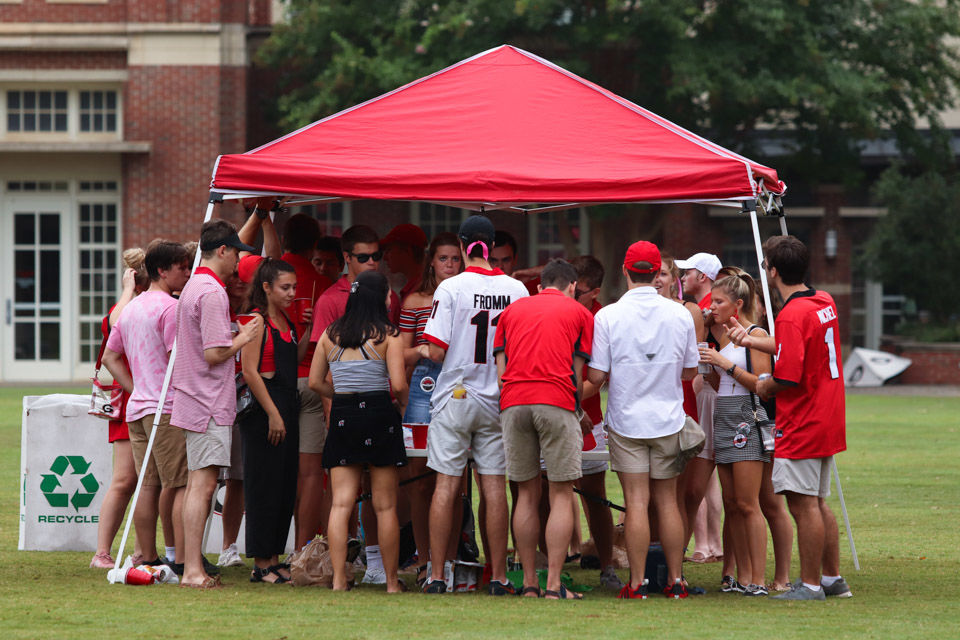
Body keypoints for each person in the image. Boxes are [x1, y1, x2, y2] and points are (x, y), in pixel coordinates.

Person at [421, 215, 529, 595]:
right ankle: (497, 576)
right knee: (494, 487)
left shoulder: (450, 287)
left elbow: (436, 349)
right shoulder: (517, 290)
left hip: (455, 394)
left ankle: (437, 576)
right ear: (489, 245)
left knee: (446, 486)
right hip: (498, 396)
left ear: (466, 246)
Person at [587, 241, 698, 600]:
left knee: (635, 502)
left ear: (625, 270)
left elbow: (598, 374)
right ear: (657, 273)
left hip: (626, 419)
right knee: (667, 502)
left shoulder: (607, 315)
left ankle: (636, 583)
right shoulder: (679, 313)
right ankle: (676, 580)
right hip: (667, 417)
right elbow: (691, 370)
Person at [757, 235, 852, 601]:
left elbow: (787, 377)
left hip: (803, 418)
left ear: (774, 270)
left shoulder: (791, 314)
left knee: (802, 502)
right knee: (817, 500)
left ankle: (811, 584)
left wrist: (765, 385)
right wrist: (754, 341)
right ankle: (831, 578)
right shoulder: (822, 299)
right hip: (827, 413)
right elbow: (798, 345)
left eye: (766, 264)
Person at [494, 259, 594, 600]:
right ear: (572, 287)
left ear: (539, 285)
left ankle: (529, 585)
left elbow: (500, 370)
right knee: (561, 493)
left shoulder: (511, 311)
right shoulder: (580, 313)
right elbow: (577, 377)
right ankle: (553, 585)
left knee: (525, 494)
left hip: (513, 400)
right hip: (555, 400)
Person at [308, 224, 401, 582]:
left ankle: (337, 579)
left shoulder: (331, 335)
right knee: (385, 504)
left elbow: (316, 382)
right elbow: (398, 383)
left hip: (344, 415)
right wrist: (401, 405)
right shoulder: (388, 335)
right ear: (380, 298)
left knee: (341, 503)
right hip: (379, 413)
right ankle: (392, 582)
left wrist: (343, 395)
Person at [171, 219, 261, 589]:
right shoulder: (211, 292)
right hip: (207, 400)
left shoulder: (196, 285)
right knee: (204, 487)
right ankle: (192, 570)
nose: (240, 260)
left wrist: (232, 335)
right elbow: (213, 354)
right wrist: (246, 337)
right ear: (222, 250)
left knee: (199, 485)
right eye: (238, 251)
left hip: (196, 397)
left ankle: (191, 566)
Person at [102, 240, 191, 571]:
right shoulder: (170, 308)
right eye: (182, 267)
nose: (187, 272)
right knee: (178, 484)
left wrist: (136, 387)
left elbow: (110, 357)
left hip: (138, 408)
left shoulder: (132, 307)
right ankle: (181, 559)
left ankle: (149, 557)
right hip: (165, 408)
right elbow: (177, 361)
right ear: (162, 271)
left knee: (147, 485)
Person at [697, 274, 772, 596]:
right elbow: (720, 385)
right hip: (724, 416)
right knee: (731, 503)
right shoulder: (725, 338)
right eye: (711, 301)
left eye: (719, 302)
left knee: (748, 503)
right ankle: (741, 576)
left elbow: (762, 386)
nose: (711, 307)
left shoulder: (755, 335)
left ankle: (757, 578)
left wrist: (724, 364)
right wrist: (713, 368)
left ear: (738, 304)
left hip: (746, 418)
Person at [398, 231, 462, 586]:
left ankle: (449, 562)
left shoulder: (469, 296)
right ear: (431, 262)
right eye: (443, 259)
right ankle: (424, 560)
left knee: (454, 482)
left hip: (461, 389)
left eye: (455, 259)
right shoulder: (415, 301)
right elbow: (400, 354)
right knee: (420, 482)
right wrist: (423, 350)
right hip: (422, 389)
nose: (450, 265)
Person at [239, 258, 308, 584]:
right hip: (265, 412)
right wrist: (273, 415)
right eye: (285, 287)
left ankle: (275, 557)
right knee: (263, 486)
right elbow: (250, 371)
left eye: (294, 287)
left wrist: (305, 332)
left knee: (284, 487)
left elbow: (292, 359)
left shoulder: (287, 322)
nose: (292, 293)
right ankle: (261, 562)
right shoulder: (257, 321)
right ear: (266, 287)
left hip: (285, 407)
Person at [278, 214, 333, 560]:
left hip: (279, 380)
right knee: (311, 473)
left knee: (280, 471)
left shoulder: (272, 273)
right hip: (314, 379)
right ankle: (303, 548)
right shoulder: (323, 283)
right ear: (314, 244)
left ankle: (273, 546)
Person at [89, 250, 148, 569]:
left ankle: (141, 551)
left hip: (148, 399)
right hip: (130, 401)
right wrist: (128, 289)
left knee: (148, 480)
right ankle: (102, 553)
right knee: (126, 479)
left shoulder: (156, 303)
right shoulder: (124, 308)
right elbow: (116, 324)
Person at [568, 255, 622, 591]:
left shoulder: (600, 319)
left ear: (595, 292)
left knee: (595, 494)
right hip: (561, 411)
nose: (572, 296)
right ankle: (549, 563)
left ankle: (607, 564)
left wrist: (570, 403)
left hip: (589, 417)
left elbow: (599, 378)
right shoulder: (560, 309)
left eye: (580, 292)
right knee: (545, 488)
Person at [217, 254, 263, 568]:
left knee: (245, 478)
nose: (237, 282)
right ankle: (227, 546)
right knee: (230, 479)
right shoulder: (216, 302)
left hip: (254, 400)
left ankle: (255, 546)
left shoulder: (260, 314)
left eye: (244, 279)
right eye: (234, 275)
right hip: (222, 400)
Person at [382, 223, 428, 302]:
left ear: (407, 251)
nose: (384, 258)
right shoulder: (421, 286)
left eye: (389, 250)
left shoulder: (421, 292)